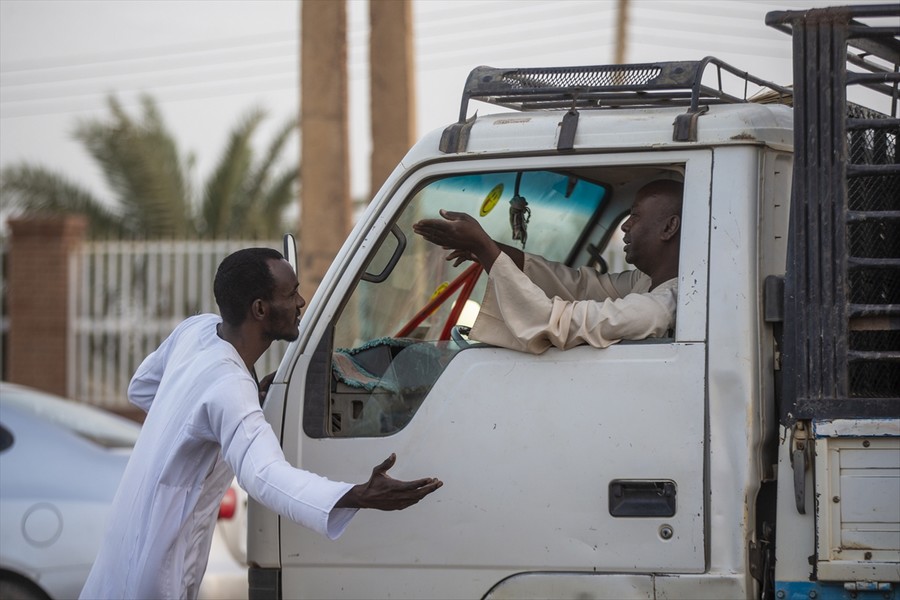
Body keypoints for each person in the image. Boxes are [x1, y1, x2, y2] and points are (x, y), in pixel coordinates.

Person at [80, 248, 442, 600]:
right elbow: (264, 475)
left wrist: (215, 414)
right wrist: (357, 495)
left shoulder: (197, 331)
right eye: (291, 293)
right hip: (156, 574)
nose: (301, 302)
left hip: (121, 557)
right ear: (259, 309)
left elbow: (141, 387)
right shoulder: (229, 385)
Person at [412, 179, 683, 354]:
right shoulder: (645, 282)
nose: (625, 225)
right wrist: (487, 247)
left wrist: (486, 249)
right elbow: (578, 286)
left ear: (669, 227)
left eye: (634, 215)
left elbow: (554, 322)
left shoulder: (655, 309)